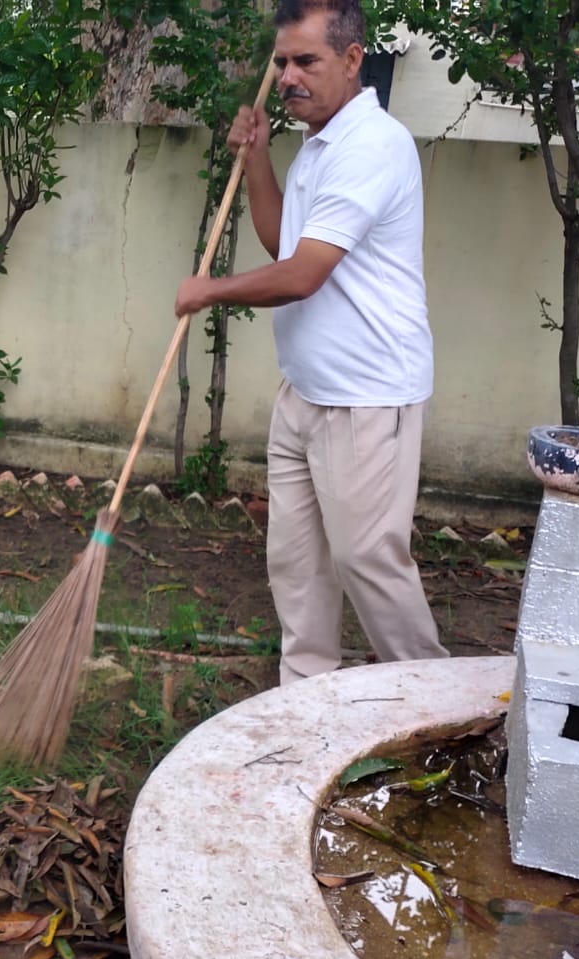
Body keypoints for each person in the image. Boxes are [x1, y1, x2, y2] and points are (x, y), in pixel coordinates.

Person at [175, 0, 448, 686]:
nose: (289, 75)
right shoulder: (316, 144)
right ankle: (304, 700)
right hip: (305, 389)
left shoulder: (370, 146)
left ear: (352, 60)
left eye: (306, 60)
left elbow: (301, 275)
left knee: (365, 559)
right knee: (296, 562)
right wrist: (258, 157)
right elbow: (284, 242)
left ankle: (432, 703)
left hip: (366, 392)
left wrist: (208, 290)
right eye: (281, 62)